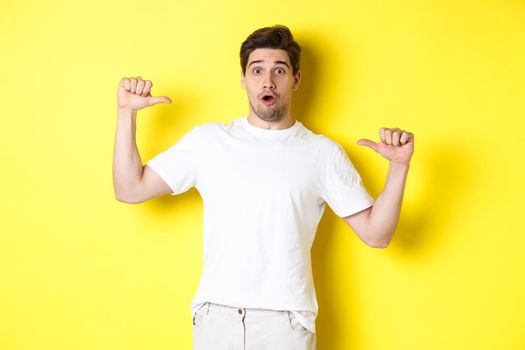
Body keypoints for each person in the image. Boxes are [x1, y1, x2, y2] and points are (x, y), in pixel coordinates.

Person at [112, 24, 414, 350]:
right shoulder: (208, 142)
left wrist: (398, 166)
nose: (267, 81)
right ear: (243, 80)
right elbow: (130, 188)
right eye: (257, 71)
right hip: (217, 321)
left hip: (284, 326)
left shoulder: (322, 153)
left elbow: (377, 234)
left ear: (295, 80)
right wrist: (126, 113)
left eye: (279, 71)